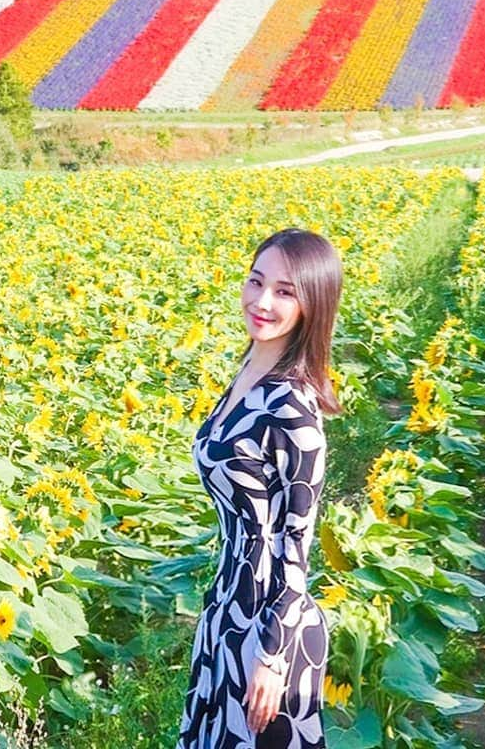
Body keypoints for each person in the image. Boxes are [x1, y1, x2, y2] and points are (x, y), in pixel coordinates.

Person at [176, 227, 343, 749]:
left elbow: (297, 544)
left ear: (312, 305)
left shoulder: (293, 411)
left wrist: (272, 657)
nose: (262, 301)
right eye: (256, 281)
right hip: (227, 606)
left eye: (285, 291)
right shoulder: (248, 371)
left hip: (271, 627)